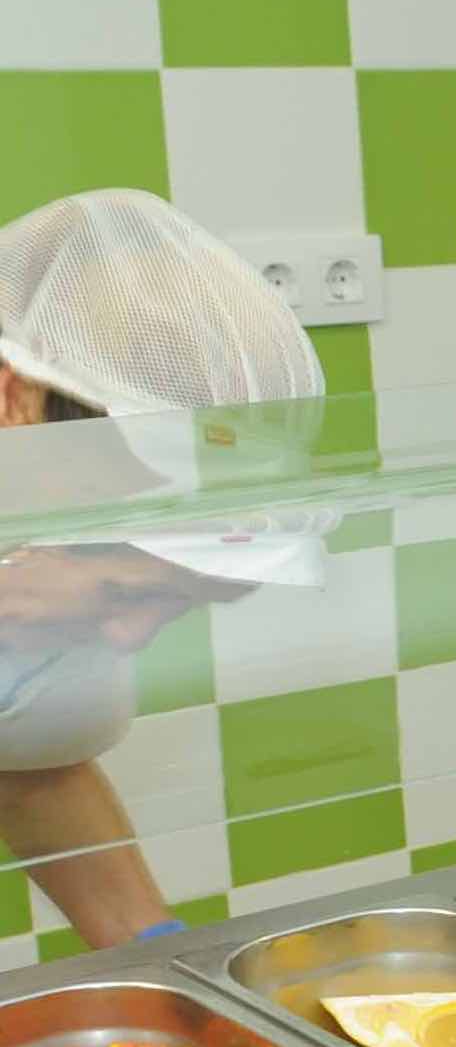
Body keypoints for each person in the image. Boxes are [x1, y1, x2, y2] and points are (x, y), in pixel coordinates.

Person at [0, 189, 326, 948]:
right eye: (116, 586)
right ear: (11, 398)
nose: (130, 633)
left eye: (173, 598)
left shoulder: (43, 490)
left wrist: (163, 961)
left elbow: (30, 762)